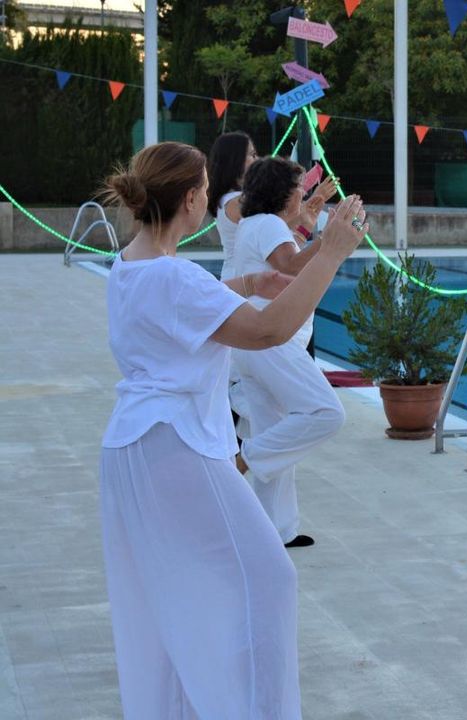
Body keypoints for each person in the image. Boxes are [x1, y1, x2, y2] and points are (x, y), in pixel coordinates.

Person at [98, 141, 367, 718]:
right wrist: (332, 254)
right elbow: (269, 334)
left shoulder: (128, 266)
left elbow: (176, 310)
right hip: (176, 447)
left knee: (173, 596)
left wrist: (246, 287)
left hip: (133, 446)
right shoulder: (176, 279)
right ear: (193, 200)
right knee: (268, 582)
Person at [230, 156, 360, 548]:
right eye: (299, 189)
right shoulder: (267, 224)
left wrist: (315, 230)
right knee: (325, 412)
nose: (304, 194)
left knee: (275, 430)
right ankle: (241, 461)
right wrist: (332, 238)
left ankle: (277, 529)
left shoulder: (258, 225)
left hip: (255, 344)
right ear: (282, 194)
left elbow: (289, 257)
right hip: (270, 340)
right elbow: (290, 265)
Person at [207, 131, 258, 282]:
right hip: (242, 281)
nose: (257, 159)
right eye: (252, 154)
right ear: (236, 160)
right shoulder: (237, 201)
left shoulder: (230, 198)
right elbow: (279, 222)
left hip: (239, 277)